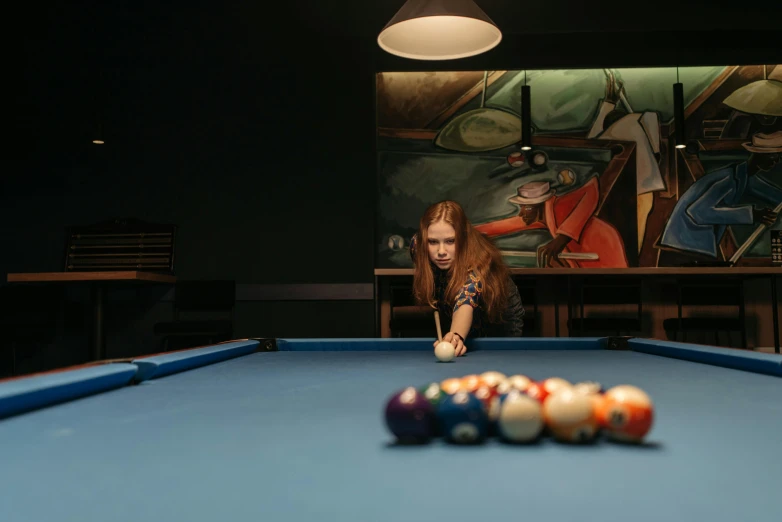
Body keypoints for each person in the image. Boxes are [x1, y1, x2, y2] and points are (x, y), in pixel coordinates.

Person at [409, 201, 525, 357]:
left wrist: (456, 335)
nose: (441, 251)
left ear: (463, 238)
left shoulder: (478, 262)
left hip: (498, 316)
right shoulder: (418, 246)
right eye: (433, 242)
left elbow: (465, 299)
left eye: (450, 241)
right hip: (453, 306)